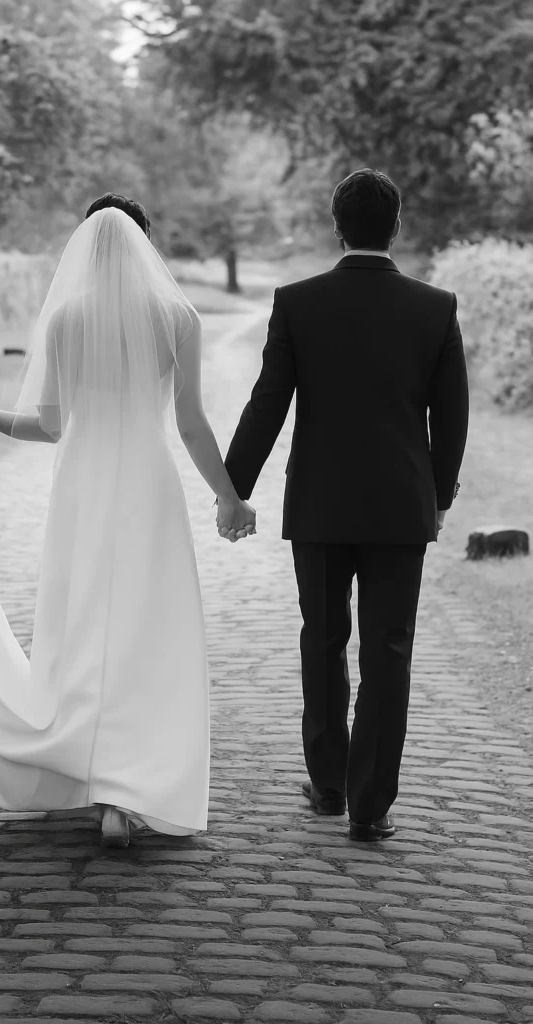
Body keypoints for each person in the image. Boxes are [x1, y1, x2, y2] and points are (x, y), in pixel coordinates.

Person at [0, 193, 256, 847]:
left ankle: (90, 774)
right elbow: (190, 424)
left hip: (82, 489)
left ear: (88, 247)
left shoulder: (68, 319)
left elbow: (50, 426)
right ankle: (127, 796)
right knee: (145, 626)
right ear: (145, 245)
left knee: (82, 625)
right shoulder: (176, 316)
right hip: (147, 484)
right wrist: (228, 496)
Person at [222, 168, 469, 841]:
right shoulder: (434, 306)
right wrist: (438, 499)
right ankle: (369, 805)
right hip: (398, 509)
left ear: (337, 225)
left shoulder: (297, 302)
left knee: (322, 640)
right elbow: (451, 421)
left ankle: (328, 785)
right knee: (387, 649)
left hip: (320, 508)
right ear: (395, 225)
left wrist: (232, 487)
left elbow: (266, 401)